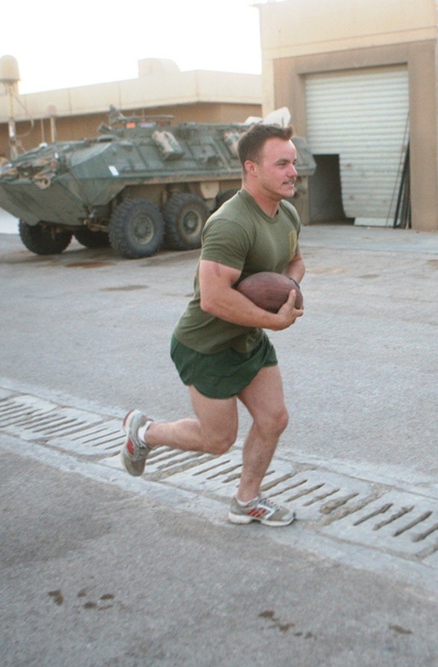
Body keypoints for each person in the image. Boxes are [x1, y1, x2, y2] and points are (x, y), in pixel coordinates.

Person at [121, 122, 306, 527]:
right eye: (282, 164)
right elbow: (214, 297)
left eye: (293, 162)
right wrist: (273, 322)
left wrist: (288, 288)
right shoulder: (230, 223)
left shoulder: (286, 212)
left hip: (248, 339)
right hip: (205, 345)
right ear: (252, 168)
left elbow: (294, 260)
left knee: (274, 419)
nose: (293, 171)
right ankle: (144, 432)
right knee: (217, 440)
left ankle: (247, 500)